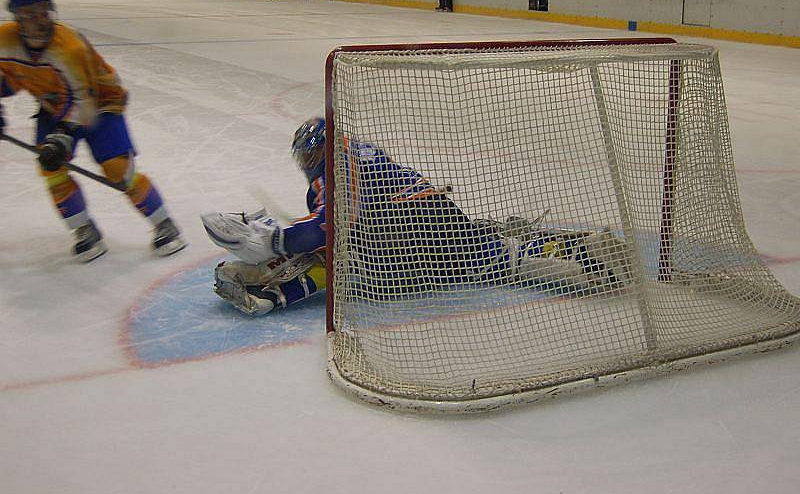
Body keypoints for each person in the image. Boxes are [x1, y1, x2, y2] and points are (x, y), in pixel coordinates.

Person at [201, 118, 633, 315]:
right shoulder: (361, 150)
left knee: (340, 260)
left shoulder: (332, 171)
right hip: (435, 213)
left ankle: (276, 294)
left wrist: (276, 240)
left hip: (402, 241)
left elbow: (326, 226)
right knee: (497, 253)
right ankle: (577, 247)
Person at [0, 0, 186, 262]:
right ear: (17, 19)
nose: (40, 20)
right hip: (54, 106)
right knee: (52, 171)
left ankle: (163, 222)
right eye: (30, 14)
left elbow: (83, 100)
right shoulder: (5, 40)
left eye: (43, 12)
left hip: (100, 104)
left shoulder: (69, 47)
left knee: (117, 170)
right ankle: (83, 229)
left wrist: (60, 138)